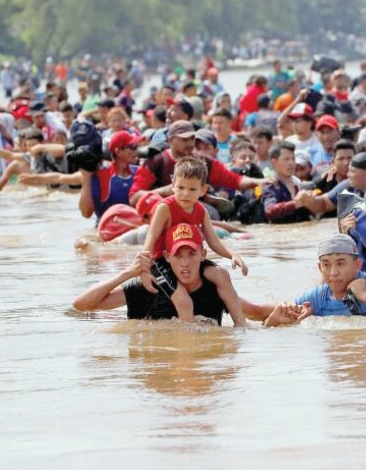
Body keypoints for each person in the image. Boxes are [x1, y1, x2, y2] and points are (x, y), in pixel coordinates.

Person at [72, 224, 246, 326]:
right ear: (167, 257)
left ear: (203, 254)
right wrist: (127, 273)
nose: (185, 263)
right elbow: (82, 304)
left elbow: (254, 313)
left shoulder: (217, 287)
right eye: (178, 255)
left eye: (191, 254)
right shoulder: (150, 286)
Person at [261, 234, 366, 326]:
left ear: (357, 265)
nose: (333, 272)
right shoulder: (318, 297)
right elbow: (273, 328)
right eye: (326, 265)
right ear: (320, 268)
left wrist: (365, 297)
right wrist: (274, 321)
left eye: (341, 263)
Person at [140, 157, 247, 273]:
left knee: (221, 274)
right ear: (173, 186)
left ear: (203, 190)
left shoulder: (201, 211)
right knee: (180, 292)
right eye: (181, 187)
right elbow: (151, 237)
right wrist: (143, 268)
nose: (185, 194)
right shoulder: (164, 208)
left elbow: (214, 242)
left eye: (192, 189)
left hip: (189, 261)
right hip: (162, 261)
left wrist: (233, 255)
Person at [128, 120, 261, 206]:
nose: (190, 144)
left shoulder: (204, 161)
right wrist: (164, 191)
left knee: (211, 213)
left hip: (197, 212)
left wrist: (260, 182)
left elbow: (235, 180)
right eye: (185, 140)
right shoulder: (155, 162)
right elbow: (134, 198)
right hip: (161, 211)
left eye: (192, 139)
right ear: (171, 140)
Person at [79, 130, 140, 222]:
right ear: (118, 152)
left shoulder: (139, 172)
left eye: (136, 146)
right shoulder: (100, 175)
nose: (136, 151)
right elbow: (86, 213)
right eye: (133, 147)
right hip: (107, 231)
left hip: (135, 227)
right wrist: (86, 178)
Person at [262, 142, 314, 223]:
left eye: (293, 159)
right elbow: (269, 211)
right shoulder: (271, 186)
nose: (291, 163)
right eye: (286, 159)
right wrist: (295, 204)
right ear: (274, 162)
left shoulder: (299, 184)